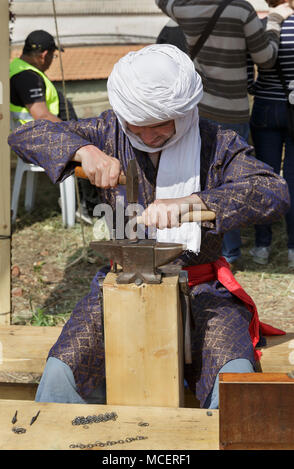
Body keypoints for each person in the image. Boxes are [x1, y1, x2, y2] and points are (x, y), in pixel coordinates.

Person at [8, 45, 289, 409]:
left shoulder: (217, 143)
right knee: (64, 371)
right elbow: (25, 137)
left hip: (203, 292)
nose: (149, 136)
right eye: (137, 125)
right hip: (120, 289)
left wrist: (194, 203)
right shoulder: (107, 131)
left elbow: (273, 192)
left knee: (235, 380)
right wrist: (83, 151)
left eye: (161, 125)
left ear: (185, 112)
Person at [155, 0, 294, 269]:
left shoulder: (183, 8)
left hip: (199, 108)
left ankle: (222, 252)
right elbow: (266, 59)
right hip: (234, 109)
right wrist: (275, 21)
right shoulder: (241, 10)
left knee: (207, 181)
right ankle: (243, 251)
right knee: (233, 181)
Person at [10, 29, 95, 224]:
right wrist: (75, 133)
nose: (51, 61)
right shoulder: (27, 76)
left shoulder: (16, 68)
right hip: (37, 139)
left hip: (31, 136)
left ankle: (83, 204)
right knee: (88, 150)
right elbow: (41, 115)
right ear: (44, 55)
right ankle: (85, 207)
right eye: (53, 56)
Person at [248, 0, 294, 268]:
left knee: (263, 177)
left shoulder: (262, 26)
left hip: (265, 107)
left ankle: (261, 246)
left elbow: (255, 61)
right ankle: (292, 249)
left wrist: (255, 86)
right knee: (292, 179)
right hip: (293, 108)